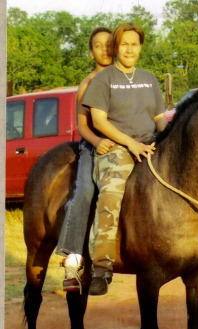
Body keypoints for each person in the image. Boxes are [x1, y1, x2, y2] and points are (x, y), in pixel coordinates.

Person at [82, 22, 168, 296]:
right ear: (117, 47)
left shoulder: (149, 78)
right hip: (119, 149)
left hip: (150, 145)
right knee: (111, 193)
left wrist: (166, 142)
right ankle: (101, 267)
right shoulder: (103, 79)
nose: (129, 49)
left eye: (135, 44)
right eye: (124, 44)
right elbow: (98, 120)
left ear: (140, 47)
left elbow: (159, 118)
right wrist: (130, 143)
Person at [56, 27, 115, 292]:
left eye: (108, 44)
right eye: (98, 46)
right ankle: (72, 263)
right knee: (85, 192)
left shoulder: (126, 78)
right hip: (94, 146)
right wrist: (97, 142)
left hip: (127, 142)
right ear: (91, 52)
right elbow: (83, 126)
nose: (104, 49)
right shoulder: (88, 83)